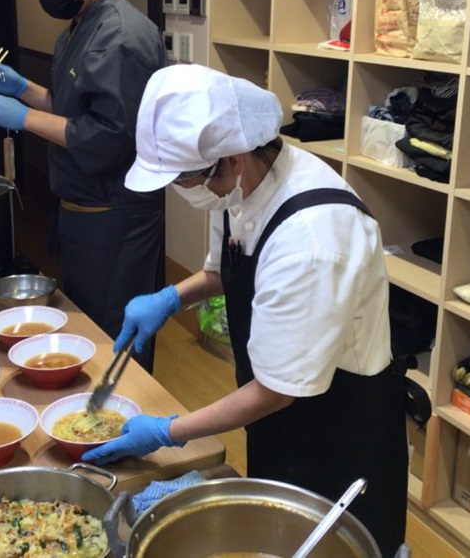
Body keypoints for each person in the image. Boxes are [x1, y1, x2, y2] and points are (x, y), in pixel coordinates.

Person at [81, 65, 408, 556]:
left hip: (338, 429)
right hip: (280, 412)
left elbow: (277, 391)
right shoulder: (239, 186)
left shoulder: (313, 238)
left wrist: (168, 433)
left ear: (229, 159)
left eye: (184, 177)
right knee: (271, 537)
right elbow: (225, 270)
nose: (181, 190)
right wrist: (170, 300)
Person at [0, 0, 167, 371]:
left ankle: (126, 439)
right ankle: (92, 434)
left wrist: (21, 117)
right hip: (81, 216)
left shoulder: (121, 36)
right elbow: (71, 106)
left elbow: (106, 136)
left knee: (117, 343)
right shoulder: (76, 29)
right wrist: (26, 89)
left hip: (117, 220)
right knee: (86, 332)